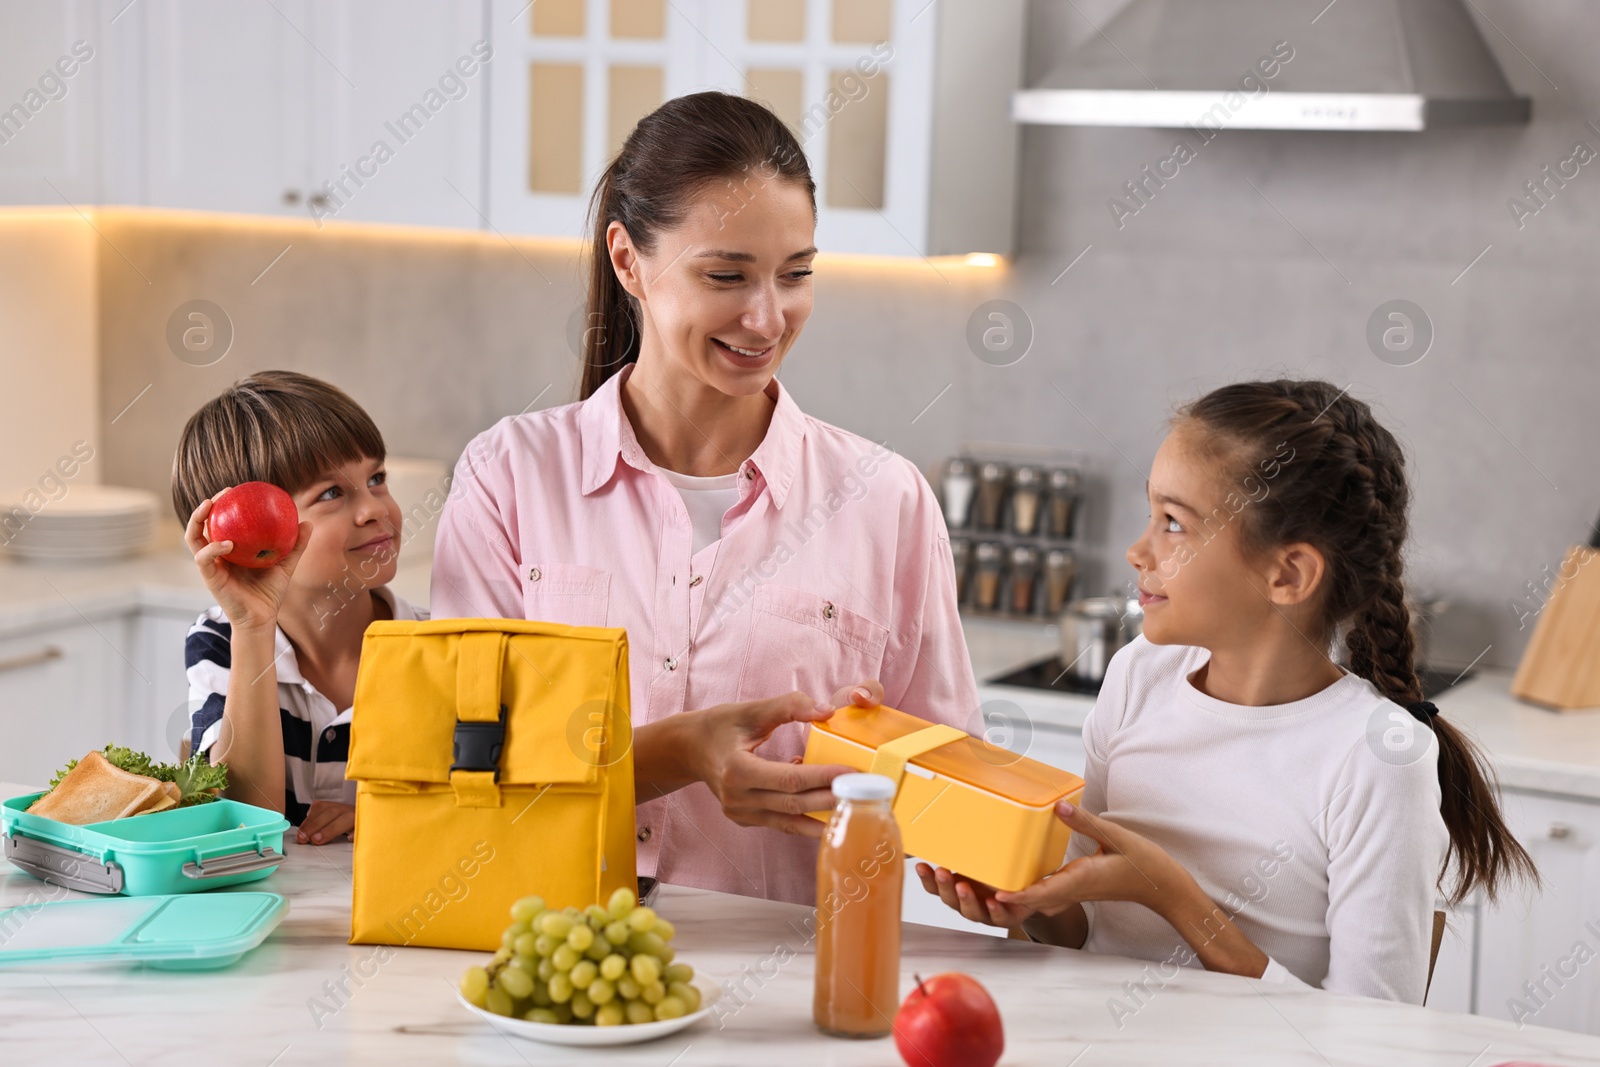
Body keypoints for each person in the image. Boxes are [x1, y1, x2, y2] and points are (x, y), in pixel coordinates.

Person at [431, 92, 979, 904]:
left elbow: (947, 784)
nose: (767, 316)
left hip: (790, 997)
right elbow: (459, 765)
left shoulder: (884, 501)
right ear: (628, 262)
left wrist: (994, 865)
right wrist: (682, 753)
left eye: (797, 275)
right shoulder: (509, 477)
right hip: (544, 965)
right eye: (726, 275)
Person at [919, 379, 1536, 1003]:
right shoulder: (1139, 676)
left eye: (1174, 524)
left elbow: (1369, 1039)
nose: (1137, 550)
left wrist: (1171, 895)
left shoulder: (1375, 755)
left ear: (1287, 573)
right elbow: (1078, 936)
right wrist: (1021, 899)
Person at [173, 370, 426, 844]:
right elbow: (241, 821)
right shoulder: (222, 641)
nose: (374, 508)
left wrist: (385, 816)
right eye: (331, 493)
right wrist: (252, 624)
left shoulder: (436, 646)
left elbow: (474, 811)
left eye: (377, 478)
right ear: (243, 537)